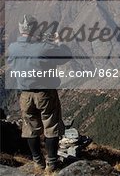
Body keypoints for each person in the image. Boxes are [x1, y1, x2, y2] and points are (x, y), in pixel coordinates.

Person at [7, 14, 72, 172]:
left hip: (25, 95)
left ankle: (38, 162)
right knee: (51, 127)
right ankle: (52, 163)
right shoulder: (43, 47)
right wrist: (58, 42)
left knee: (30, 128)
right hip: (45, 94)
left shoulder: (12, 48)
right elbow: (66, 55)